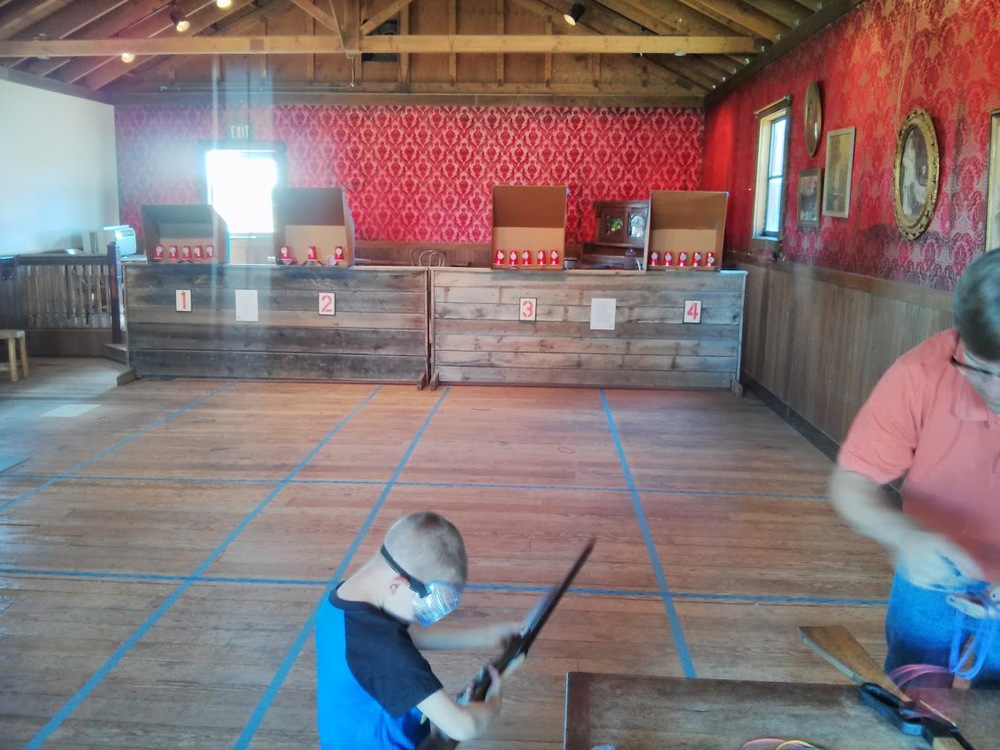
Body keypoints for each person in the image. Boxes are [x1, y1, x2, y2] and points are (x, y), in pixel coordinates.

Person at [829, 250, 1000, 689]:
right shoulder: (920, 375)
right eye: (981, 371)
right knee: (915, 711)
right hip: (933, 574)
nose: (996, 391)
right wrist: (907, 536)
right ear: (960, 339)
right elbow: (851, 484)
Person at [315, 511, 522, 748]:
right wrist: (491, 705)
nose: (424, 618)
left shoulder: (344, 601)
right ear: (398, 585)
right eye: (422, 608)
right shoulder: (384, 650)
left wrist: (486, 635)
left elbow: (410, 636)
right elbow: (462, 726)